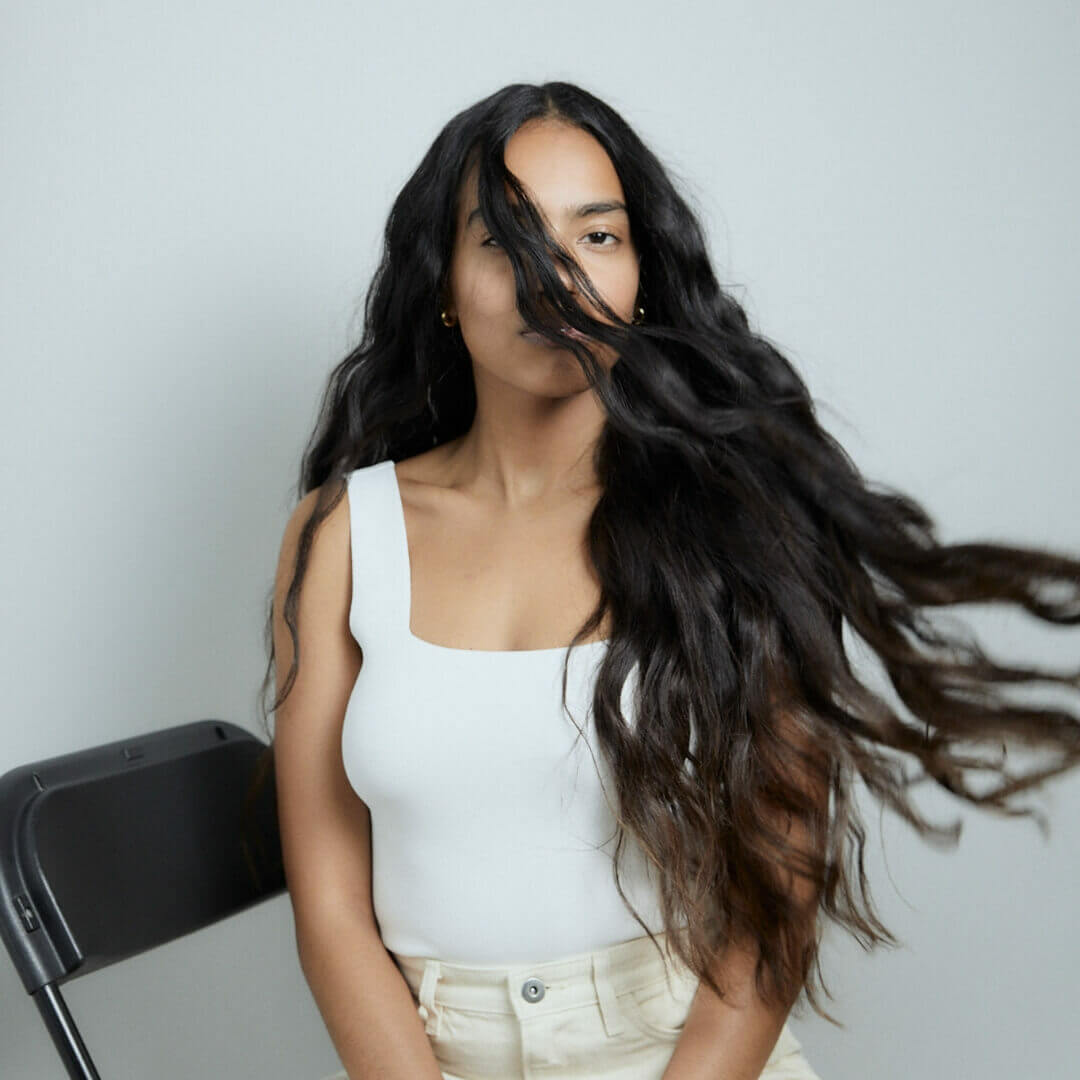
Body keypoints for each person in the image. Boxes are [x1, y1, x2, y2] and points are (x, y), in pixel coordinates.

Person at [245, 81, 1080, 1080]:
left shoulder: (728, 519)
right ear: (441, 283)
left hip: (685, 1051)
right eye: (506, 240)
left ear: (641, 274)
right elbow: (330, 905)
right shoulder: (340, 535)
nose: (553, 276)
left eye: (597, 237)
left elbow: (782, 881)